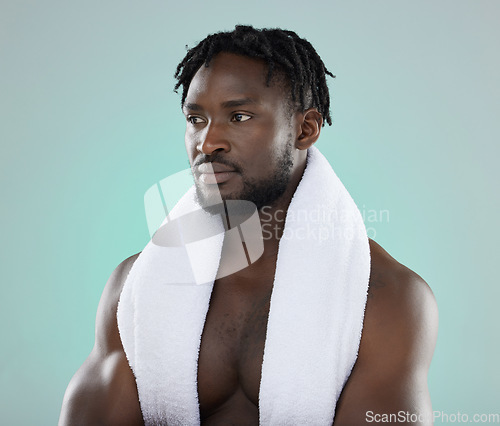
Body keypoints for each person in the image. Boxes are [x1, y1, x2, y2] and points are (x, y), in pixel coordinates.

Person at [59, 25, 438, 425]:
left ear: (305, 129)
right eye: (195, 118)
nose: (207, 143)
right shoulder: (134, 288)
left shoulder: (384, 300)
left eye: (238, 116)